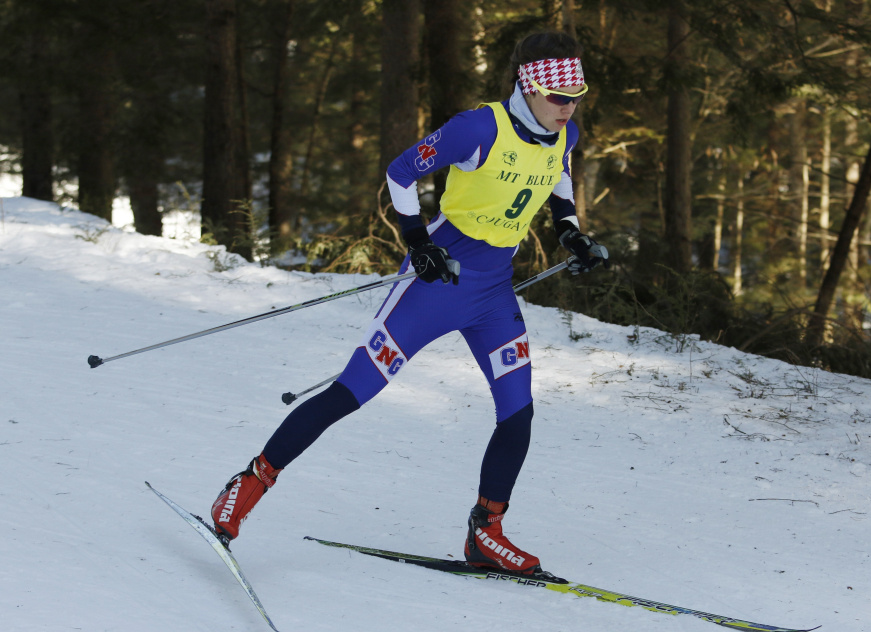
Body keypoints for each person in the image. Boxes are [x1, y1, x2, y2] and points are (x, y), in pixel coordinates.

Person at [210, 30, 608, 576]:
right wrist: (418, 244)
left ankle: (486, 534)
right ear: (528, 86)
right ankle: (247, 484)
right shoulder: (478, 127)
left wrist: (572, 234)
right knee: (350, 393)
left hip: (493, 295)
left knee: (518, 413)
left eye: (575, 96)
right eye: (559, 96)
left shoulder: (566, 132)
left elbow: (557, 179)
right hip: (436, 284)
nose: (568, 106)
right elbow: (401, 172)